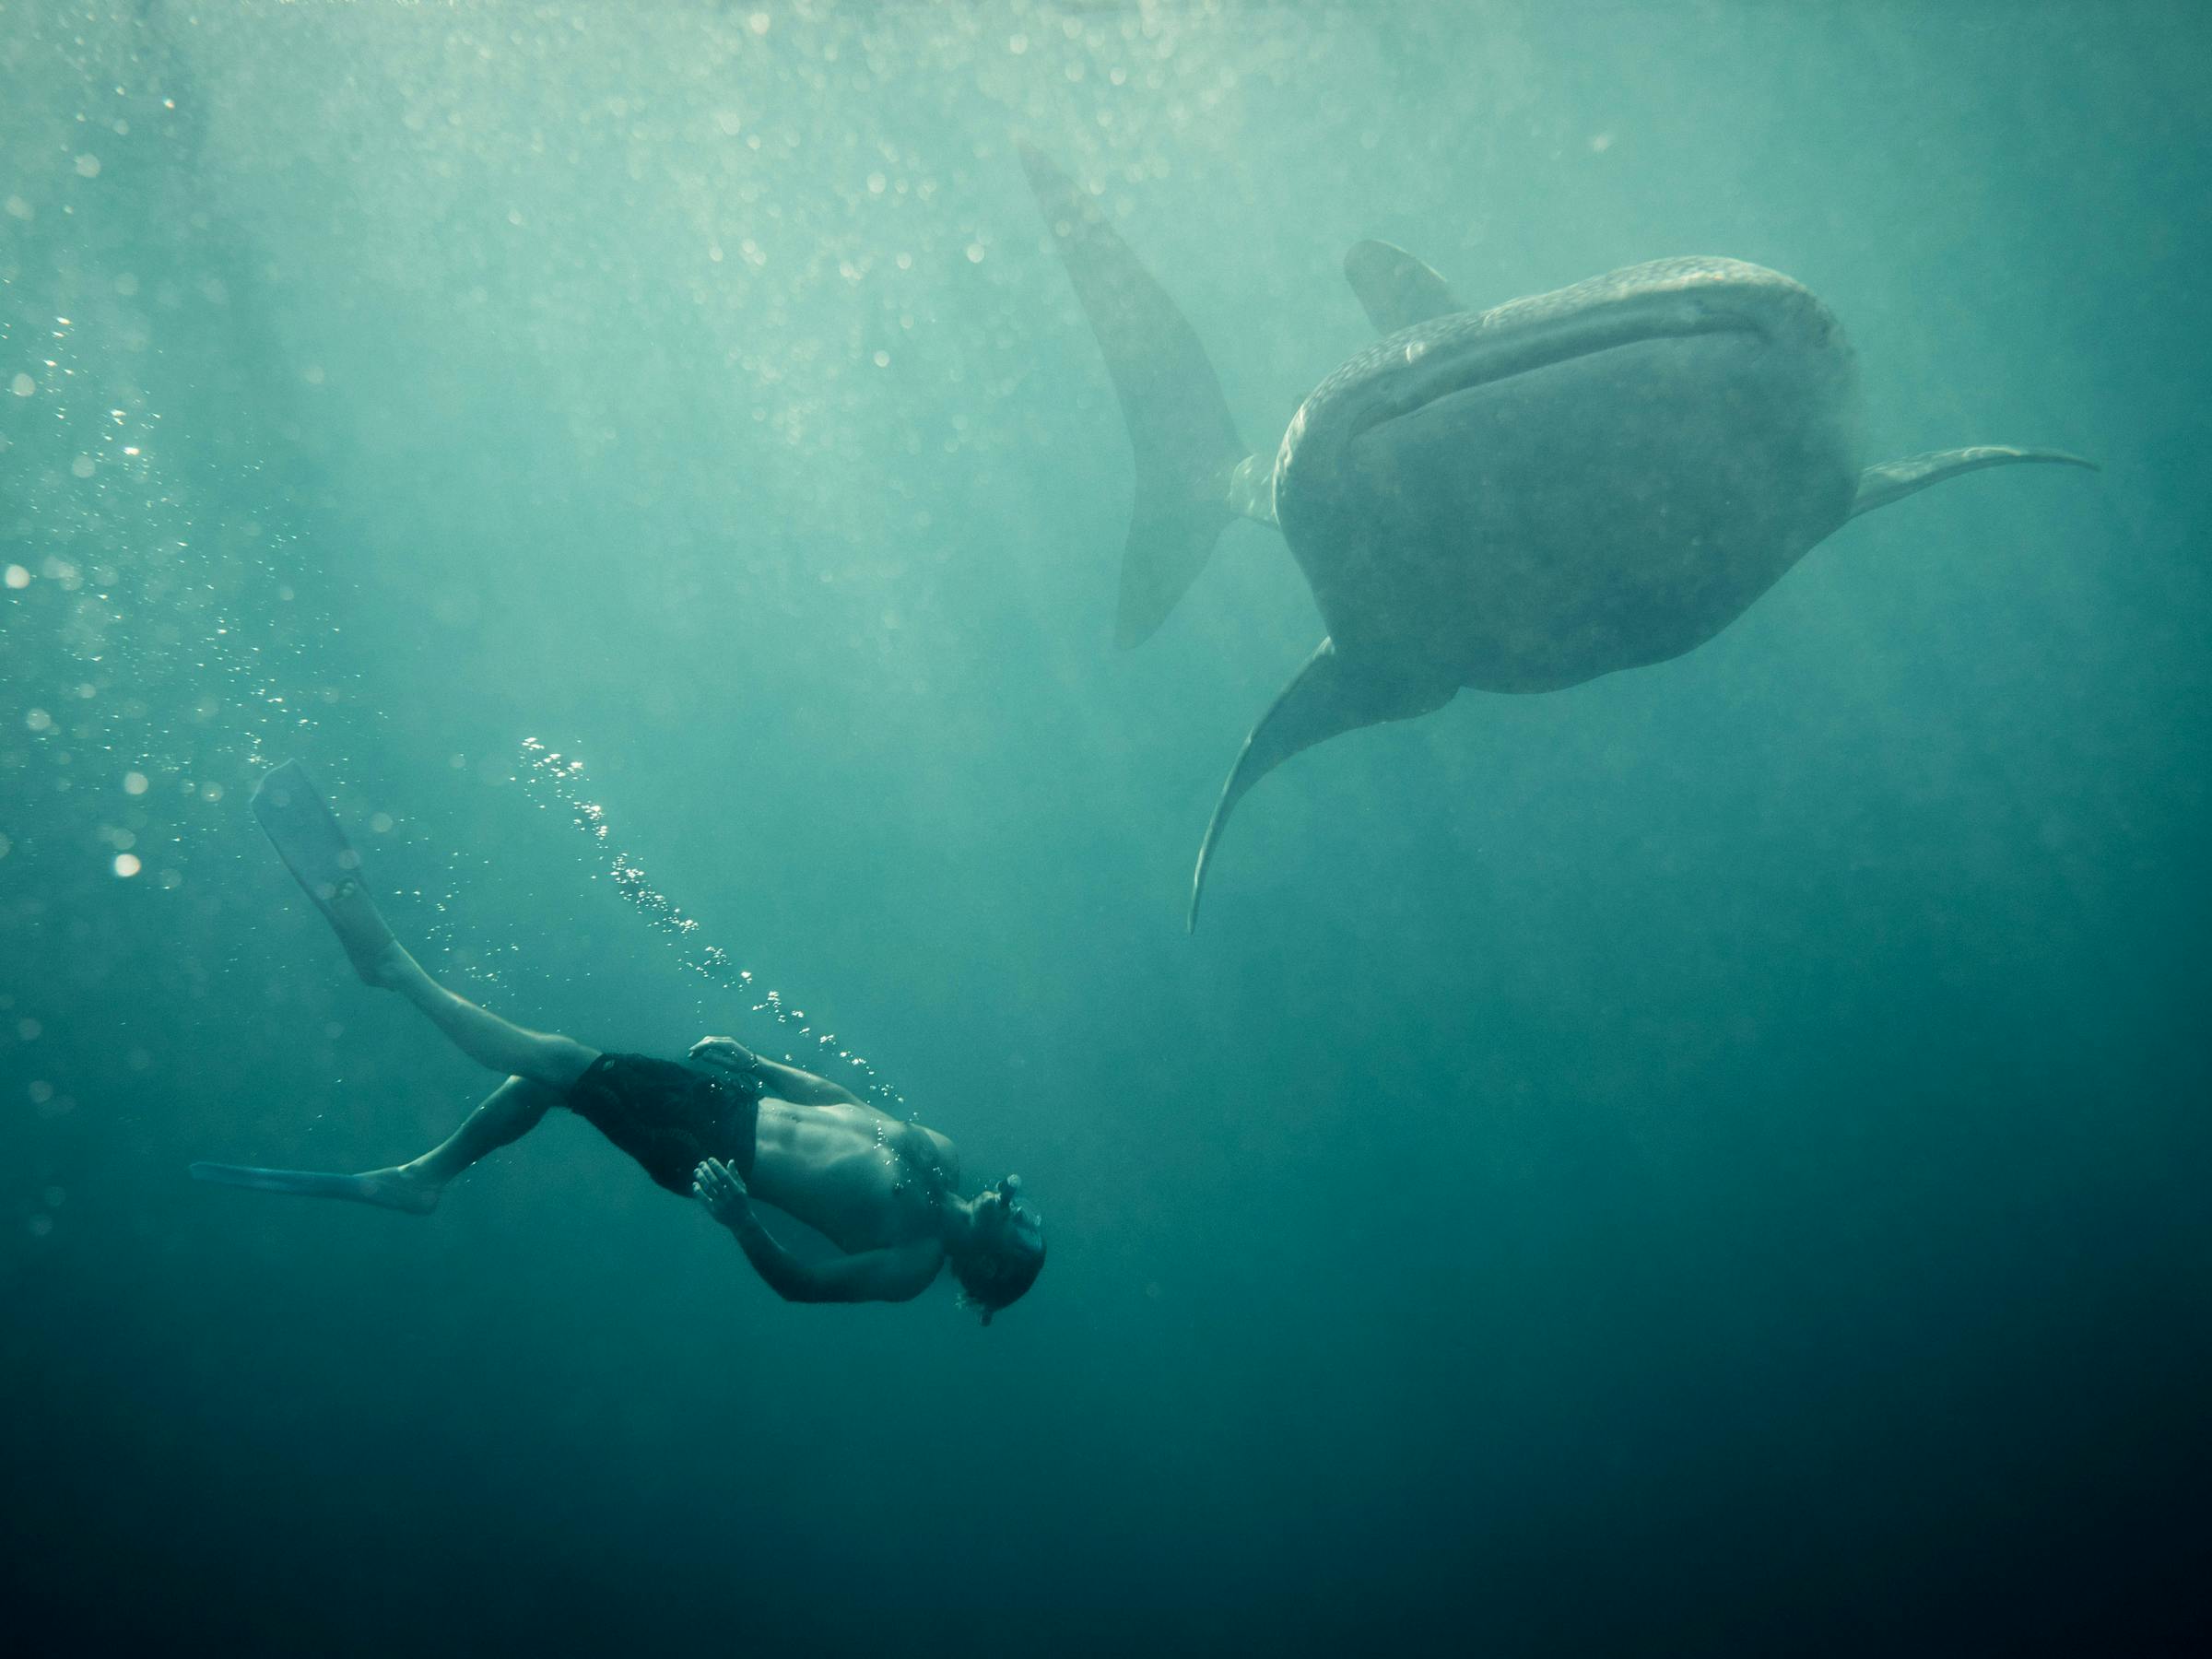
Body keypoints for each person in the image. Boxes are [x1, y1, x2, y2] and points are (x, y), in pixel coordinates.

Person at [191, 761, 1045, 1322]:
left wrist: (740, 1220)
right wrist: (761, 1064)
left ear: (994, 1272)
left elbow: (806, 1284)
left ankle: (392, 971)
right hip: (731, 1101)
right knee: (552, 1082)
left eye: (1025, 1236)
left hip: (711, 1157)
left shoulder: (912, 1263)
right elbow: (839, 1103)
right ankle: (426, 1178)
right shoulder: (941, 1152)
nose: (1023, 1213)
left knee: (562, 1059)